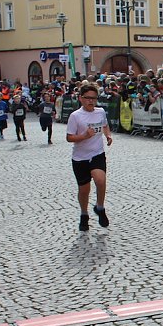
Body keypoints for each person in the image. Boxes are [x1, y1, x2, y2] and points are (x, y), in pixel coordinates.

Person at [67, 81, 113, 231]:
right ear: (80, 98)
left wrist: (108, 135)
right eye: (87, 98)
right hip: (80, 158)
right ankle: (84, 214)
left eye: (93, 98)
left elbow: (104, 125)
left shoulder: (100, 112)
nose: (91, 101)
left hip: (97, 153)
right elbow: (69, 138)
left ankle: (100, 208)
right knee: (84, 189)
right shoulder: (75, 116)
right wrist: (84, 136)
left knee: (100, 180)